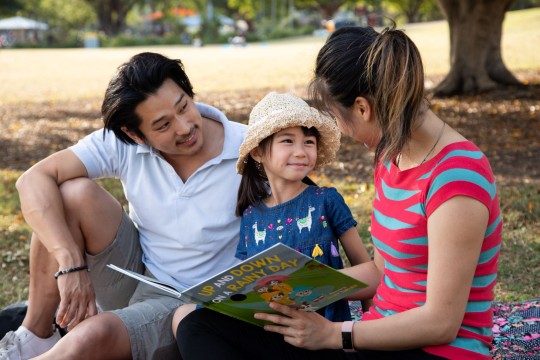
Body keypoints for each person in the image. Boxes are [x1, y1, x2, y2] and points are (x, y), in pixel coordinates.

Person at [176, 25, 502, 360]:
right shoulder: (393, 158)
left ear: (362, 108)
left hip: (434, 350)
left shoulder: (457, 177)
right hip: (374, 336)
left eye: (337, 117)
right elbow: (384, 271)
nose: (343, 131)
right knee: (199, 325)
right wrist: (295, 288)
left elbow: (441, 323)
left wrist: (335, 334)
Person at [0, 52, 247, 360]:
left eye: (184, 106)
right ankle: (35, 337)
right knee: (69, 195)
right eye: (163, 124)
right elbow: (32, 180)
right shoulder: (123, 142)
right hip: (134, 272)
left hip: (187, 303)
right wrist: (69, 265)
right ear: (134, 134)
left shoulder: (250, 148)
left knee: (88, 340)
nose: (184, 127)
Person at [228, 92, 370, 321]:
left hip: (326, 329)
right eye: (287, 140)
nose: (301, 151)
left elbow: (368, 270)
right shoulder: (251, 216)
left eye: (309, 142)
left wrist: (370, 330)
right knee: (193, 319)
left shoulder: (326, 200)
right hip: (272, 331)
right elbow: (252, 286)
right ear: (258, 152)